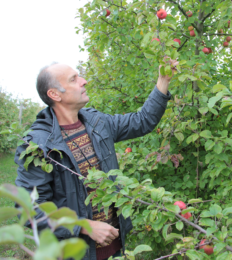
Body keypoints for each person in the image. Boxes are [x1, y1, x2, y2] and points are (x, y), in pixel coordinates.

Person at [14, 59, 177, 260]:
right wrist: (84, 226)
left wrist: (163, 80)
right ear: (55, 94)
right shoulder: (37, 146)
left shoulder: (97, 122)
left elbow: (141, 121)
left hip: (115, 247)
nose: (84, 81)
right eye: (74, 79)